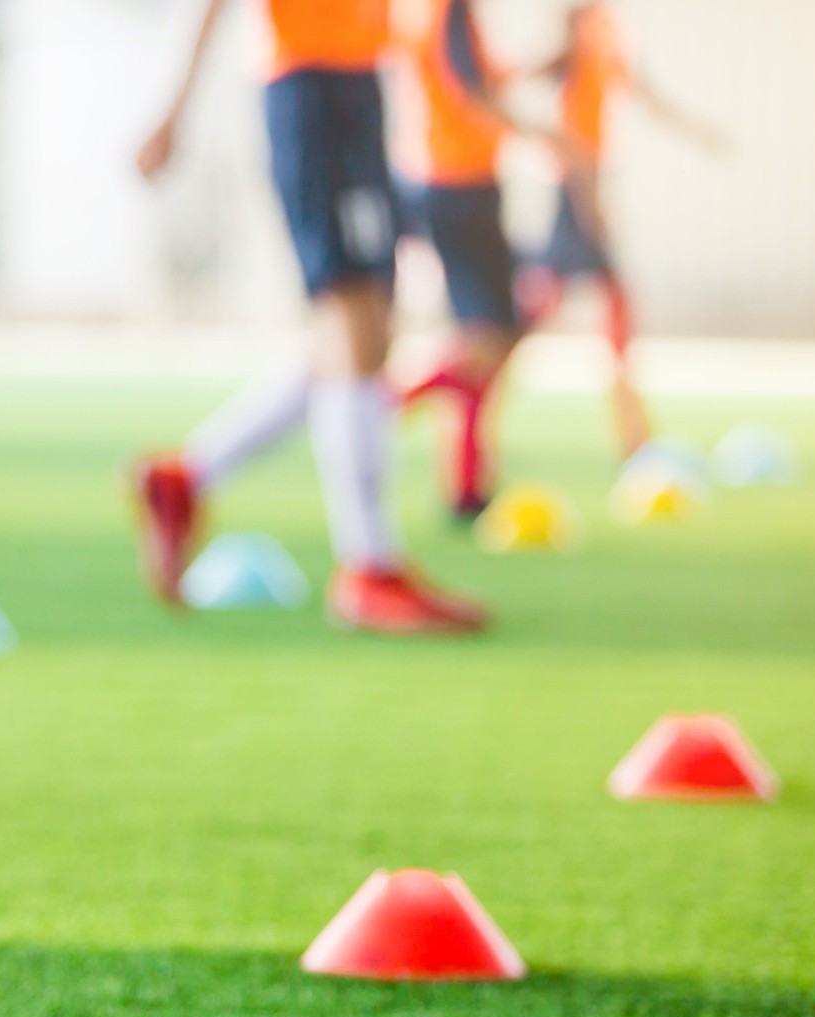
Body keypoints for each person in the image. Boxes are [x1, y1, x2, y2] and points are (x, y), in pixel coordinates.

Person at [131, 0, 485, 633]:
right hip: (309, 87)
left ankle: (185, 477)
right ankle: (370, 570)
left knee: (366, 327)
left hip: (355, 83)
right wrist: (171, 109)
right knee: (353, 317)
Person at [391, 0, 584, 517]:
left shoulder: (448, 14)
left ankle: (467, 482)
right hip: (457, 186)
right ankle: (383, 407)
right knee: (490, 339)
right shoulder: (446, 9)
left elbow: (481, 77)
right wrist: (546, 136)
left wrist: (545, 64)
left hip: (456, 183)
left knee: (490, 335)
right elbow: (471, 89)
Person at [518, 1, 726, 460]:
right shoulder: (576, 31)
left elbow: (644, 93)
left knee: (583, 308)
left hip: (588, 183)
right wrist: (589, 202)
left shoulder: (610, 31)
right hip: (575, 187)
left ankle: (635, 435)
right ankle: (635, 436)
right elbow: (532, 82)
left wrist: (699, 131)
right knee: (541, 316)